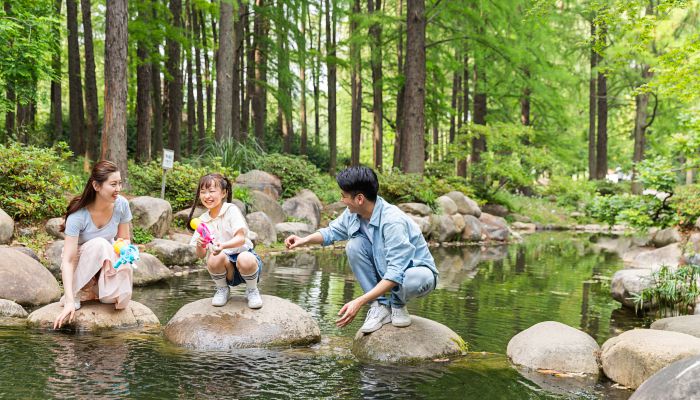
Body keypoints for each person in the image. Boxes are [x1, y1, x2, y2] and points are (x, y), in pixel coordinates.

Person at [285, 166, 438, 333]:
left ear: (359, 199)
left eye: (343, 196)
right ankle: (379, 306)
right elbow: (331, 232)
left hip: (417, 275)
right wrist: (304, 240)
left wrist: (359, 301)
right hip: (386, 270)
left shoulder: (393, 221)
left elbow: (396, 272)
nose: (342, 200)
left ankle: (397, 304)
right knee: (354, 245)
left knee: (411, 278)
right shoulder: (352, 213)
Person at [54, 160, 134, 329]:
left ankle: (97, 289)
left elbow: (124, 239)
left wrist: (125, 249)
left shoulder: (122, 205)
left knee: (115, 299)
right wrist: (69, 300)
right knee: (100, 244)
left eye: (120, 183)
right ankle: (76, 292)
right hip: (80, 261)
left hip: (106, 261)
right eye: (113, 184)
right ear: (96, 186)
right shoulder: (78, 215)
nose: (118, 189)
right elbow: (68, 260)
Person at [188, 173, 263, 309]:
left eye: (211, 191)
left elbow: (240, 239)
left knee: (245, 257)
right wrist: (200, 245)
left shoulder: (231, 210)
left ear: (223, 193)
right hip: (226, 268)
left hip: (246, 262)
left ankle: (252, 290)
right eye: (203, 192)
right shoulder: (203, 220)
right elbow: (200, 255)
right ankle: (222, 289)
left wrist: (223, 245)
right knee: (214, 258)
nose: (207, 196)